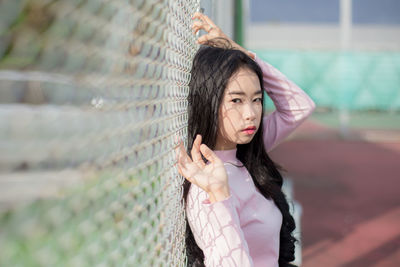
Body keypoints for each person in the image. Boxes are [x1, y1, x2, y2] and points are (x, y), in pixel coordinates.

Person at [176, 12, 316, 267]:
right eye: (236, 100)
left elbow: (300, 106)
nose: (251, 114)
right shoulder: (206, 187)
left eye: (257, 99)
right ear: (209, 102)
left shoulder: (246, 151)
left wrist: (239, 54)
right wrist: (219, 194)